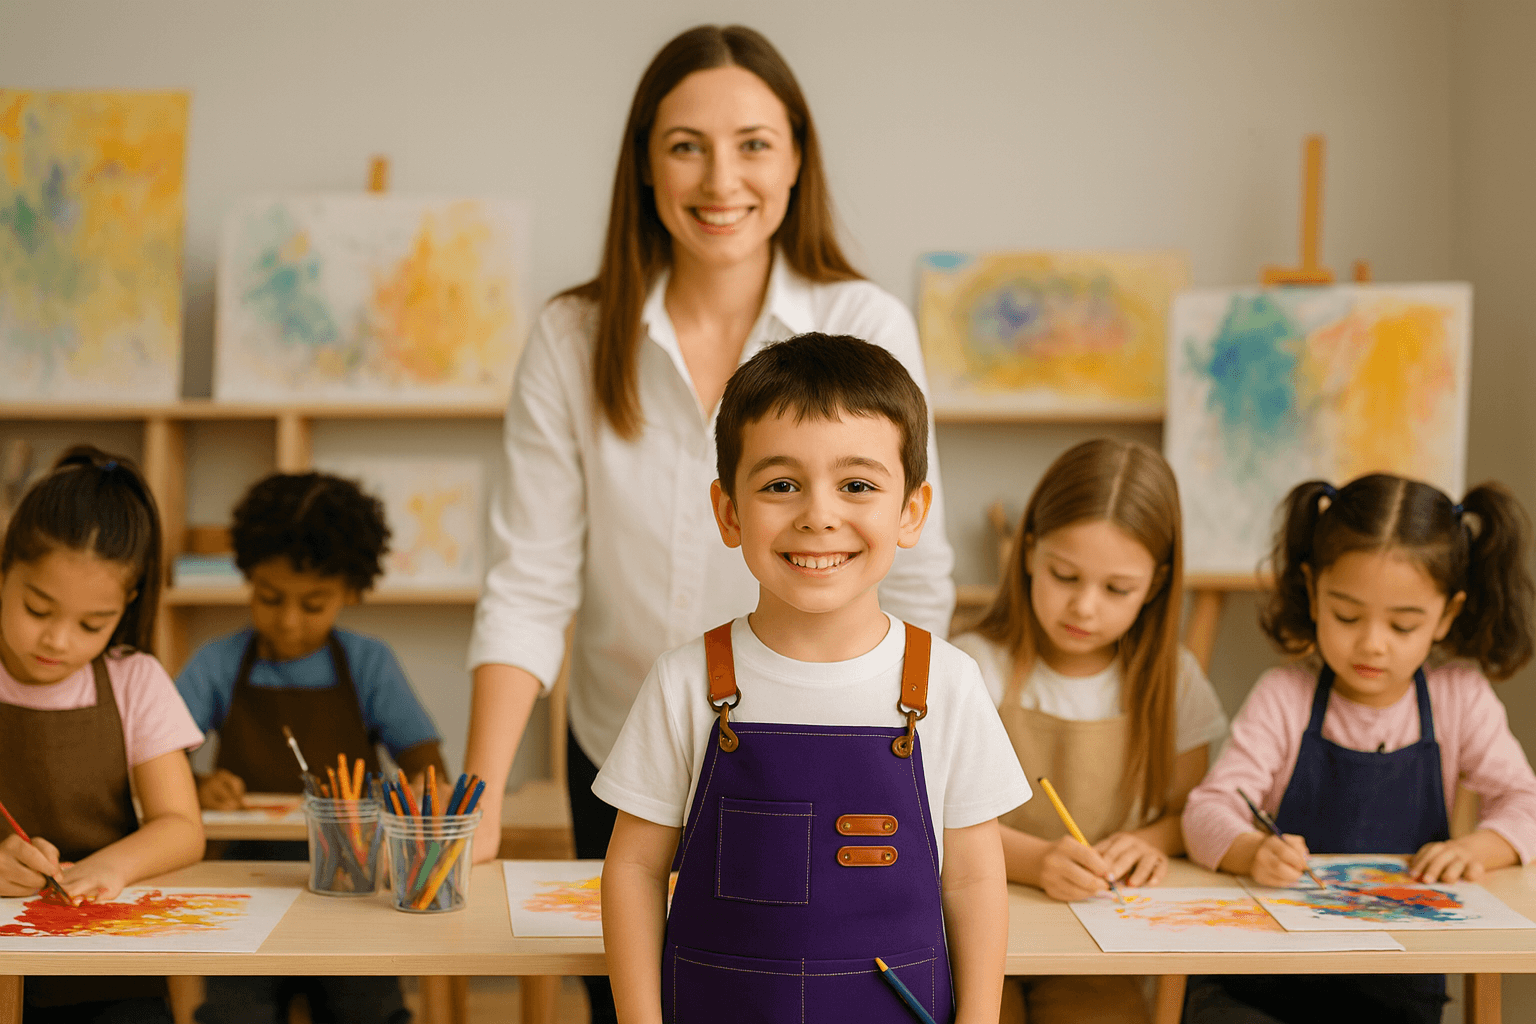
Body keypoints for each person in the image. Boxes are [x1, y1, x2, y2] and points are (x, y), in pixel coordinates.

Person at [464, 23, 955, 1021]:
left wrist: (911, 752)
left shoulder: (865, 325)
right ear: (644, 163)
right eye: (685, 143)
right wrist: (476, 805)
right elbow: (531, 579)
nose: (720, 177)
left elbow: (915, 574)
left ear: (797, 158)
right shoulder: (572, 336)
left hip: (834, 754)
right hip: (623, 753)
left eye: (754, 143)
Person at [597, 334, 1028, 1024]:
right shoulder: (683, 683)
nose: (819, 515)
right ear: (729, 512)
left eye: (857, 485)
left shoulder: (949, 683)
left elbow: (975, 879)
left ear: (911, 511)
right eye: (780, 485)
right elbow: (634, 871)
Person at [1182, 474, 1536, 1024]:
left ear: (1445, 615)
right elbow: (1207, 809)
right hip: (1260, 983)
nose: (1372, 642)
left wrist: (1480, 848)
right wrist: (1252, 852)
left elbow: (1526, 801)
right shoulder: (1286, 696)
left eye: (1403, 624)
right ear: (1313, 590)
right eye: (1347, 615)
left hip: (1396, 988)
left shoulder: (1458, 698)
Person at [951, 438, 1226, 1024]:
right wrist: (1037, 861)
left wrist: (1149, 843)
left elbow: (1193, 813)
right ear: (1027, 553)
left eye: (1115, 589)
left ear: (1154, 585)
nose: (1084, 606)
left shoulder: (1173, 681)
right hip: (976, 935)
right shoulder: (972, 666)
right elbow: (933, 822)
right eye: (1064, 574)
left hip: (1103, 945)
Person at [177, 472, 445, 1024]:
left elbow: (427, 762)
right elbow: (156, 762)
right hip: (241, 883)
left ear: (350, 590)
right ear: (248, 578)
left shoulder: (369, 664)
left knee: (366, 1009)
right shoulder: (218, 662)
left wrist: (420, 792)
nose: (289, 621)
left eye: (314, 603)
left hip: (354, 879)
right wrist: (197, 784)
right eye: (270, 599)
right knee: (233, 1015)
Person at [0, 446, 205, 1024]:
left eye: (92, 624)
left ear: (127, 606)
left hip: (104, 965)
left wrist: (111, 868)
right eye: (37, 609)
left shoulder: (134, 680)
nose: (59, 641)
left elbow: (183, 827)